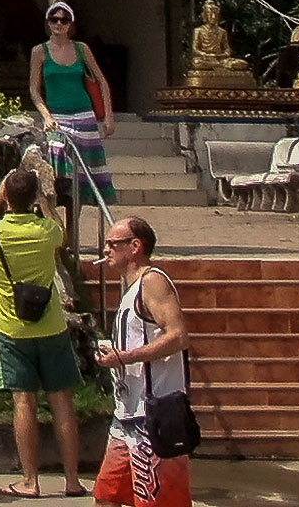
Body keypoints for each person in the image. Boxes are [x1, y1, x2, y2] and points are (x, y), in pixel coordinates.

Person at [0, 168, 80, 498]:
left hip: (13, 330)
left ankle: (30, 481)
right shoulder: (46, 231)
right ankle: (73, 481)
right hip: (52, 328)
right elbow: (62, 233)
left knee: (24, 402)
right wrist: (46, 203)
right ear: (33, 196)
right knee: (62, 402)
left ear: (8, 195)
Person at [93, 216, 191, 507]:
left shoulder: (153, 282)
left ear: (134, 246)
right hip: (126, 415)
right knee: (106, 497)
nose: (106, 250)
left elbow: (178, 336)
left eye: (112, 243)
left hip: (154, 414)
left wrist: (124, 357)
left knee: (156, 501)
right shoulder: (129, 288)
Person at [30, 2, 115, 201]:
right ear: (48, 22)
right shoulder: (39, 51)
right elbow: (34, 90)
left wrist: (108, 116)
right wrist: (46, 116)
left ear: (71, 24)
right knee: (56, 153)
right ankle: (57, 213)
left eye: (64, 20)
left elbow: (101, 81)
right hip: (57, 116)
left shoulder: (81, 48)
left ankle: (73, 222)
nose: (59, 24)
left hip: (84, 114)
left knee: (84, 173)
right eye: (54, 19)